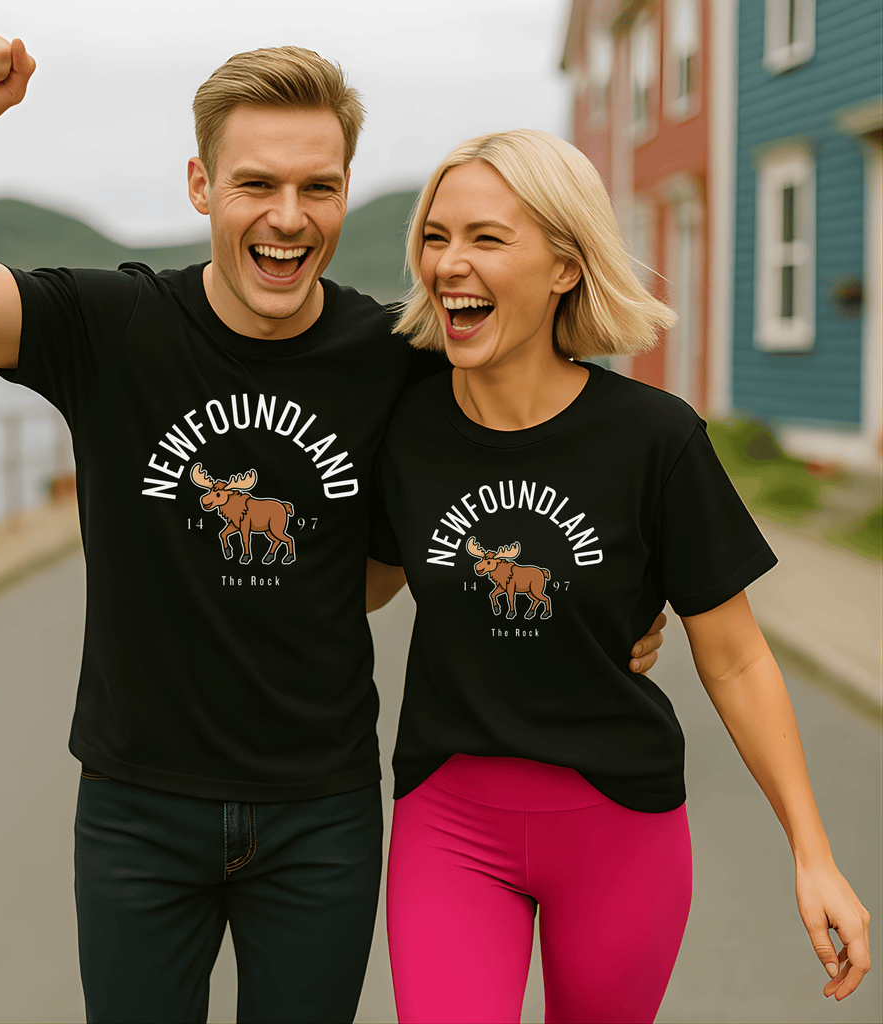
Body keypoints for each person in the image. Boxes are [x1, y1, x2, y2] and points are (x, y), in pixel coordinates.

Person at [0, 32, 667, 1024]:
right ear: (202, 186)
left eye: (318, 187)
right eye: (256, 183)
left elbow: (538, 447)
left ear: (343, 191)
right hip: (136, 805)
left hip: (319, 812)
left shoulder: (398, 353)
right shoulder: (113, 327)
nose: (288, 218)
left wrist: (620, 595)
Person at [367, 129, 872, 1023]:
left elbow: (737, 658)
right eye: (436, 237)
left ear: (565, 265)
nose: (449, 263)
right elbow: (368, 582)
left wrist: (812, 851)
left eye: (487, 238)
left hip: (618, 826)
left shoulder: (654, 438)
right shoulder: (402, 423)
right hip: (450, 818)